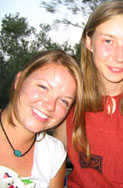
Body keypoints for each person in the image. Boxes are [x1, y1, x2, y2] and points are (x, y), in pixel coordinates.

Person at [54, 1, 123, 188]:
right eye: (108, 41)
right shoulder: (71, 92)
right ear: (89, 42)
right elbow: (53, 163)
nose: (120, 56)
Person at [0, 50, 85, 188]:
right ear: (19, 81)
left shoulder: (54, 154)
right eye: (43, 87)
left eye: (64, 101)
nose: (50, 105)